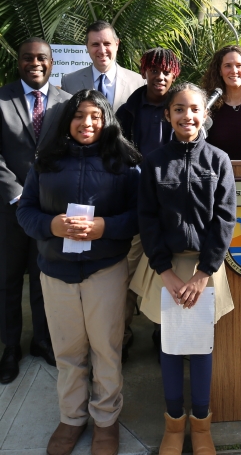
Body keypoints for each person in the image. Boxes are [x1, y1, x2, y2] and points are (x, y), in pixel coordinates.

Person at [17, 90, 141, 455]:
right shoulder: (45, 162)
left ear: (106, 122)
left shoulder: (125, 164)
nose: (87, 124)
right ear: (67, 120)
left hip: (105, 270)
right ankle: (71, 417)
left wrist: (105, 227)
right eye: (79, 116)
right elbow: (25, 211)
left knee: (106, 348)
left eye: (95, 117)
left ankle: (105, 420)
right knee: (68, 351)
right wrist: (52, 224)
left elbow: (139, 216)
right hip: (56, 272)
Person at [138, 82, 236, 455]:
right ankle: (173, 425)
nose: (187, 115)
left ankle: (201, 424)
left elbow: (225, 219)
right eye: (178, 109)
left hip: (205, 270)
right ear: (168, 115)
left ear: (205, 113)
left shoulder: (219, 160)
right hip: (166, 269)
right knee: (171, 346)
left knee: (200, 348)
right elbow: (146, 219)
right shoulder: (153, 161)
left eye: (194, 109)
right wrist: (165, 272)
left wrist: (202, 273)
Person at [0, 38, 70, 385]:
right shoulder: (1, 99)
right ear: (19, 62)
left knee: (44, 279)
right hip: (9, 211)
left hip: (48, 211)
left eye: (41, 58)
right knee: (9, 280)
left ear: (52, 62)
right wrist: (15, 195)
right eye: (28, 58)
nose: (35, 63)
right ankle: (10, 347)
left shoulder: (66, 103)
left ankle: (42, 340)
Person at [116, 48, 181, 359]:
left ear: (175, 75)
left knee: (167, 273)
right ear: (143, 72)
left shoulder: (183, 107)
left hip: (172, 209)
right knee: (125, 275)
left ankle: (163, 336)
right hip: (135, 207)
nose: (161, 75)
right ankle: (123, 337)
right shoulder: (126, 111)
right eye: (154, 69)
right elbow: (115, 159)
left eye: (167, 70)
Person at [61, 20, 144, 112]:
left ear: (117, 45)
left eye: (107, 44)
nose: (102, 50)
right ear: (87, 47)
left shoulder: (138, 83)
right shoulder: (69, 82)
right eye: (95, 44)